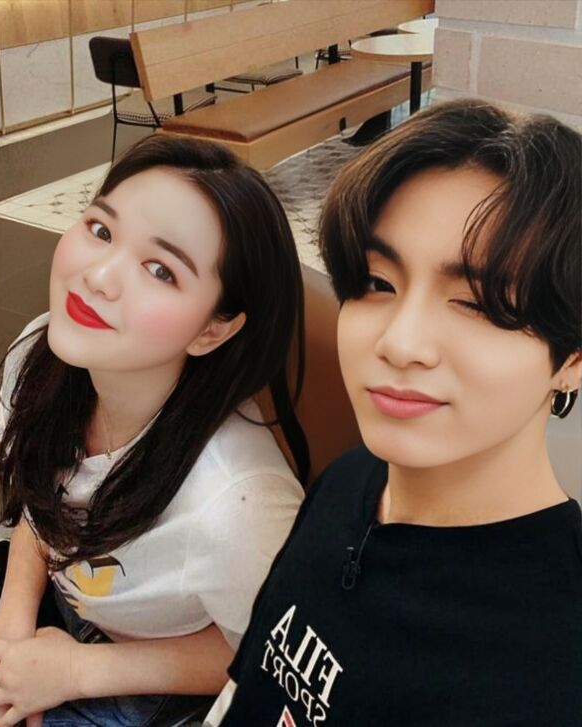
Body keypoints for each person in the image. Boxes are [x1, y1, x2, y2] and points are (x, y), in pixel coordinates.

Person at [215, 99, 582, 726]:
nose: (399, 343)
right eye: (377, 283)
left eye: (477, 303)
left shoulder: (558, 658)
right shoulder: (350, 478)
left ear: (571, 358)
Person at [0, 135, 310, 726]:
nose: (99, 276)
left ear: (212, 330)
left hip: (154, 672)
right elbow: (42, 507)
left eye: (160, 269)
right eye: (101, 229)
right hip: (47, 593)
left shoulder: (237, 506)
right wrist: (6, 646)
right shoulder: (39, 359)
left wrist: (75, 671)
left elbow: (269, 657)